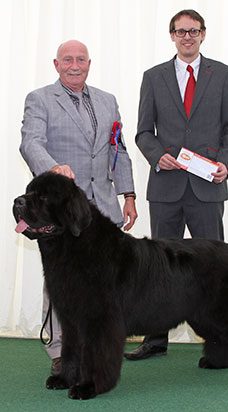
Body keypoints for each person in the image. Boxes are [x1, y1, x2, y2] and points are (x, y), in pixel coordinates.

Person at [124, 9, 228, 361]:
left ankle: (220, 343)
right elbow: (143, 131)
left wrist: (225, 161)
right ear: (172, 36)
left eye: (193, 31)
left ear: (203, 34)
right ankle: (155, 341)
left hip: (207, 187)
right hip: (166, 188)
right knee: (157, 268)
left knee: (212, 269)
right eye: (180, 31)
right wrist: (156, 154)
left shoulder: (223, 75)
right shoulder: (153, 77)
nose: (187, 37)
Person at [20, 40, 138, 374]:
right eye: (67, 60)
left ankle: (100, 351)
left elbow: (119, 150)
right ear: (56, 64)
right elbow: (31, 142)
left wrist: (127, 194)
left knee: (106, 289)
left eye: (81, 59)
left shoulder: (107, 101)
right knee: (61, 285)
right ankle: (61, 353)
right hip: (61, 213)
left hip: (103, 212)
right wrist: (52, 167)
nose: (75, 65)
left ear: (90, 63)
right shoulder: (40, 99)